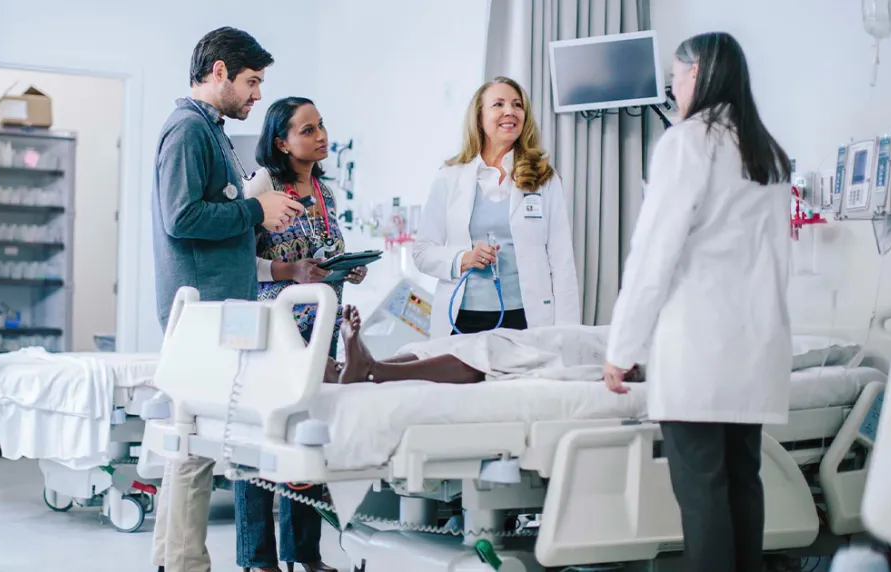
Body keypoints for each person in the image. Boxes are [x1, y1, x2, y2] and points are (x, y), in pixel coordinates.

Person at [601, 32, 793, 572]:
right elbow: (778, 262)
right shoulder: (766, 152)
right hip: (755, 347)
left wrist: (623, 347)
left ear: (698, 73)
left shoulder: (687, 142)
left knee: (704, 494)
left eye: (675, 76)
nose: (673, 87)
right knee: (741, 487)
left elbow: (652, 254)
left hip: (699, 352)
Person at [149, 27, 305, 572]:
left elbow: (217, 212)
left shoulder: (208, 131)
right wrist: (255, 211)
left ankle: (174, 559)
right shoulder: (188, 131)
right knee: (194, 446)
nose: (257, 95)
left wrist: (256, 214)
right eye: (251, 82)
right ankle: (186, 563)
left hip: (217, 309)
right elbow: (182, 217)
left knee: (191, 445)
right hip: (201, 313)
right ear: (219, 71)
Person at [235, 97, 361, 572]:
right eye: (307, 130)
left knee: (307, 438)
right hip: (275, 329)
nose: (320, 135)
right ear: (282, 142)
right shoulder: (263, 184)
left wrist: (343, 268)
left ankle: (303, 553)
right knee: (262, 436)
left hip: (319, 327)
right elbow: (241, 262)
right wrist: (292, 269)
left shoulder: (326, 190)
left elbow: (323, 250)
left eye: (321, 125)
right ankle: (258, 557)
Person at [413, 76, 580, 339]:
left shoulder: (543, 177)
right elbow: (422, 252)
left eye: (517, 105)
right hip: (462, 319)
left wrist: (569, 334)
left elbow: (562, 262)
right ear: (479, 117)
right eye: (498, 104)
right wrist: (462, 258)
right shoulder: (450, 176)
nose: (510, 111)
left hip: (526, 317)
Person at [328, 306, 643, 385]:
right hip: (598, 337)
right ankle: (358, 367)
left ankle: (373, 369)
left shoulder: (673, 349)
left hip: (601, 346)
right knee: (457, 342)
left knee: (493, 347)